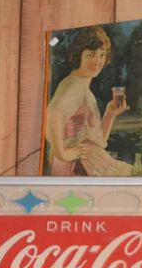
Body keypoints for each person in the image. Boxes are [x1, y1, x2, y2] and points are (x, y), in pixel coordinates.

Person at [44, 25, 131, 176]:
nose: (98, 61)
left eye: (102, 55)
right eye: (91, 55)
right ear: (79, 56)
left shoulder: (80, 84)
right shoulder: (75, 85)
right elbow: (53, 114)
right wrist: (62, 154)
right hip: (77, 166)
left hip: (85, 163)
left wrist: (110, 114)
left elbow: (97, 141)